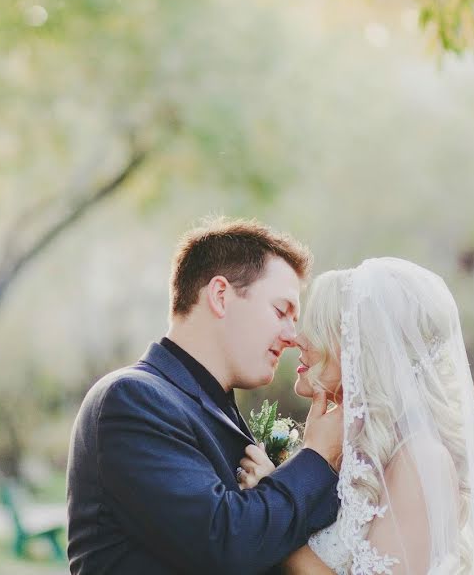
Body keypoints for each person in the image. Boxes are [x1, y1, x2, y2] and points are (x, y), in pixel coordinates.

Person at [66, 218, 344, 574]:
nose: (293, 337)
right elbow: (226, 542)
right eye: (281, 311)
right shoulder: (130, 399)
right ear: (220, 295)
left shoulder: (218, 408)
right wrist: (317, 457)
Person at [244, 258, 474, 574]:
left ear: (365, 348)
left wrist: (274, 509)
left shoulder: (422, 459)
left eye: (318, 327)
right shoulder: (349, 446)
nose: (297, 339)